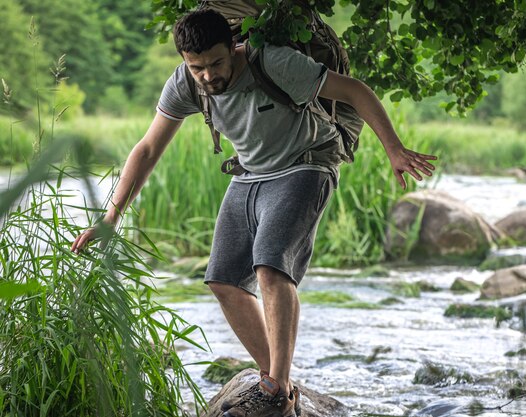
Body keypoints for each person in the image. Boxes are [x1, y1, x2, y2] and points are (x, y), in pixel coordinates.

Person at [71, 8, 437, 417]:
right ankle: (277, 381)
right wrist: (111, 217)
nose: (208, 76)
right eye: (197, 68)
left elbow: (354, 91)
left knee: (270, 268)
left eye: (216, 63)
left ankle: (276, 388)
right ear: (184, 62)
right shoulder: (184, 83)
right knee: (223, 279)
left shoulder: (273, 63)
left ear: (233, 46)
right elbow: (147, 149)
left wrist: (394, 149)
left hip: (305, 164)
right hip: (249, 175)